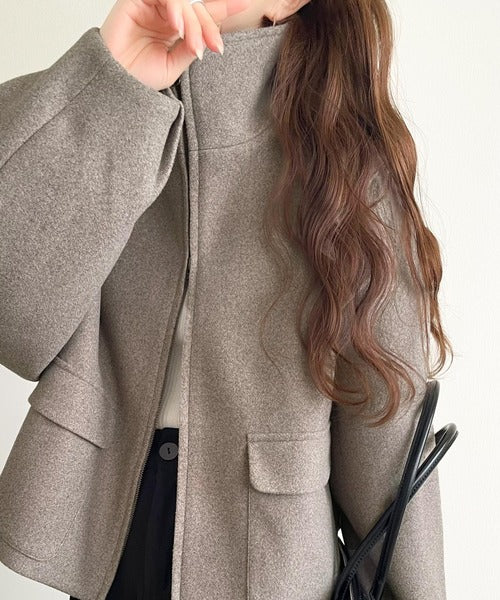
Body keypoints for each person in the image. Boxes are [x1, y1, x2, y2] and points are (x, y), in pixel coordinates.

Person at [0, 0, 452, 599]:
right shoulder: (79, 103)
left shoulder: (350, 173)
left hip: (268, 554)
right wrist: (114, 82)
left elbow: (386, 434)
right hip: (110, 523)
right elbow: (14, 322)